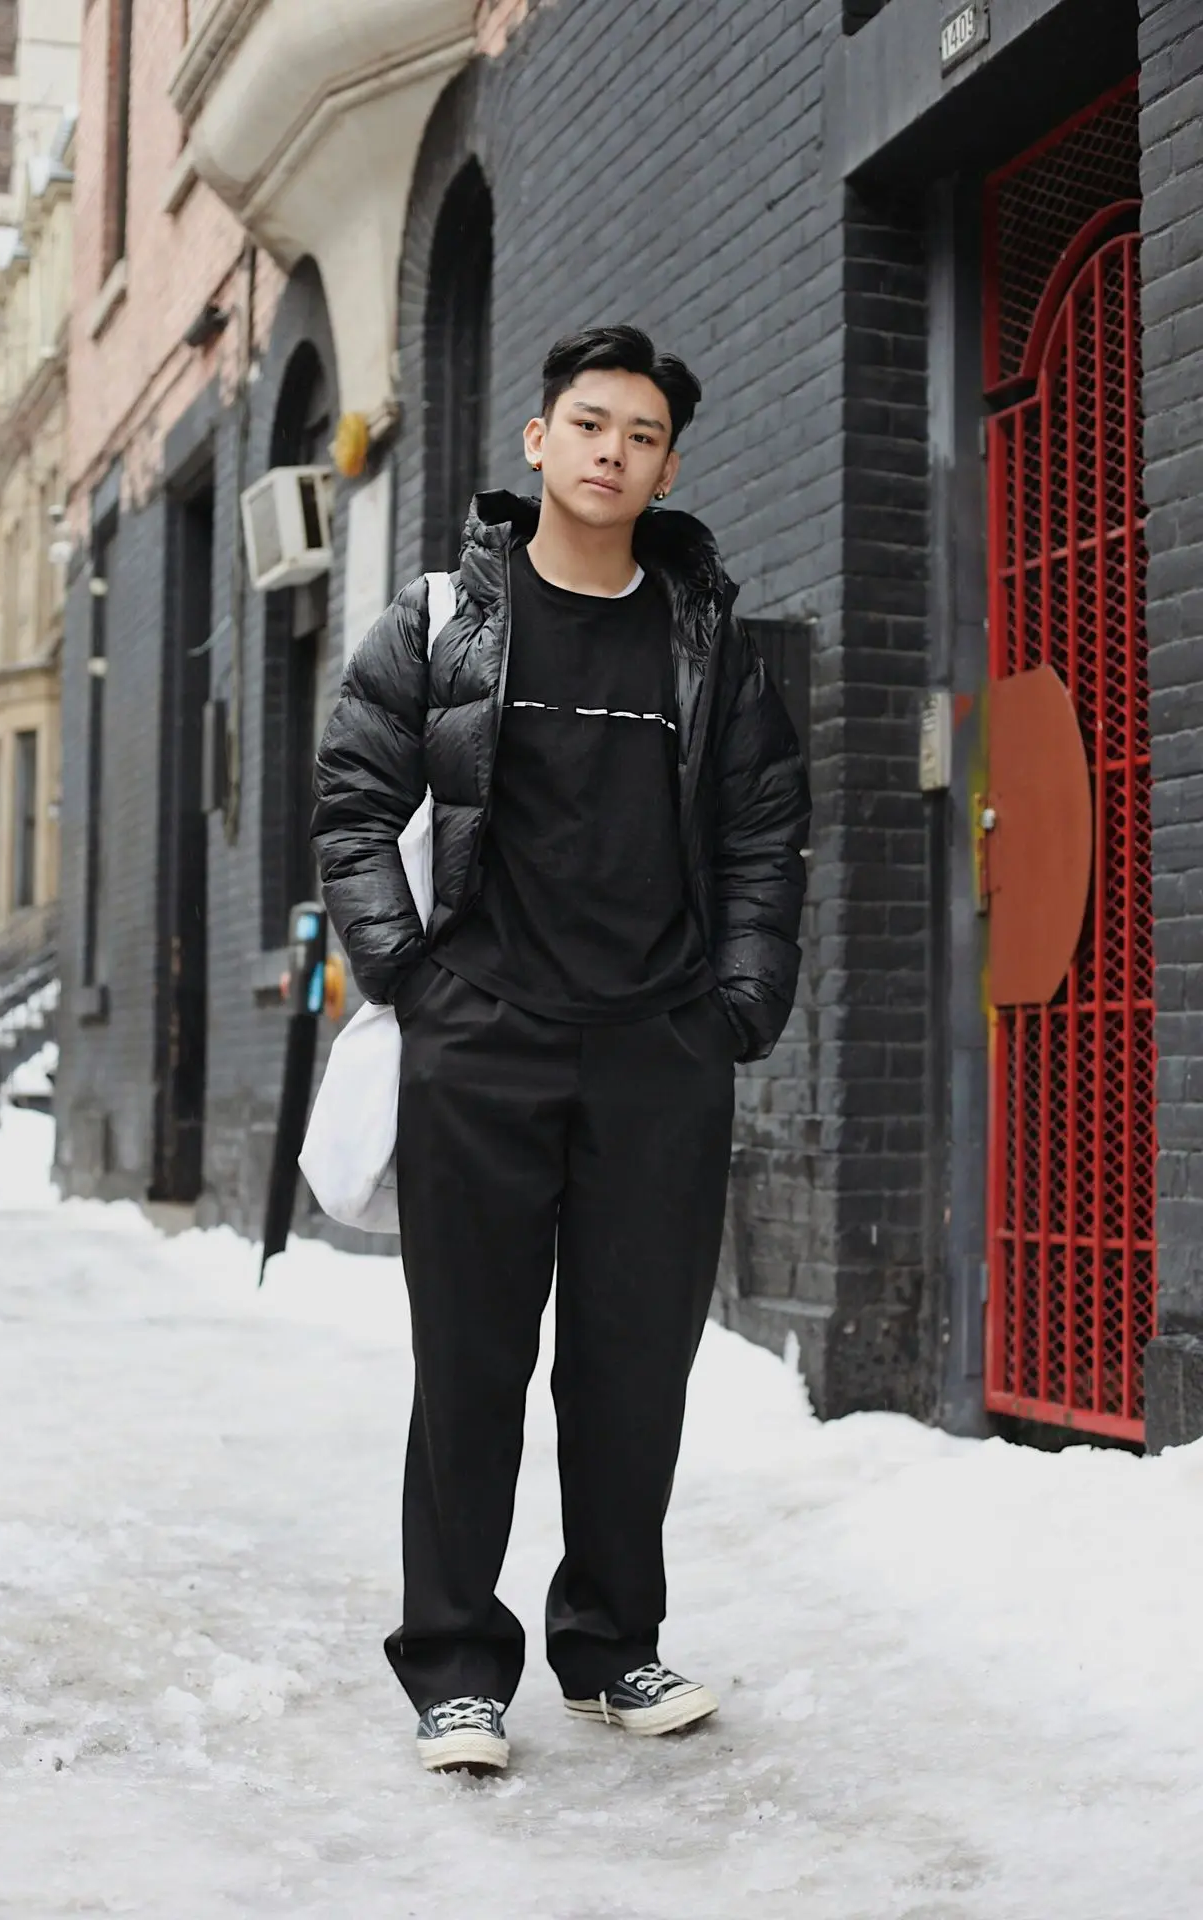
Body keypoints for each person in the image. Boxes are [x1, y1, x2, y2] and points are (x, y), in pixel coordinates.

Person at [311, 324, 811, 1775]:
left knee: (631, 1365)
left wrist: (740, 1001)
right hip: (485, 1044)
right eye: (589, 424)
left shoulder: (709, 638)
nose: (612, 451)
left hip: (658, 1053)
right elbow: (354, 795)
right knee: (468, 1362)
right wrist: (407, 969)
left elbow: (765, 834)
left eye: (642, 434)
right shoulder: (442, 624)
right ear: (538, 444)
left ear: (666, 465)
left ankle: (610, 1646)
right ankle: (457, 1667)